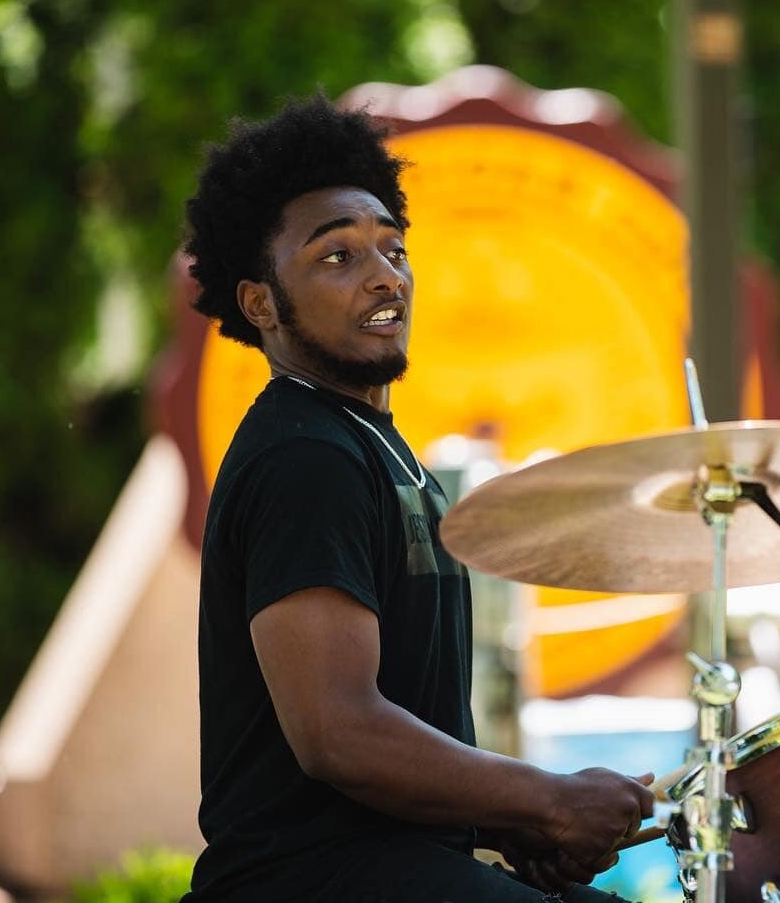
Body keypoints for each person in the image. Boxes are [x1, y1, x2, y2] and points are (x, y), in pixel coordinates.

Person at [180, 96, 654, 902]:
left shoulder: (370, 446)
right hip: (310, 882)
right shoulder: (305, 455)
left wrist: (511, 827)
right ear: (260, 302)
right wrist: (547, 798)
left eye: (391, 248)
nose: (382, 274)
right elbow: (338, 733)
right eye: (336, 257)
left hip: (398, 863)